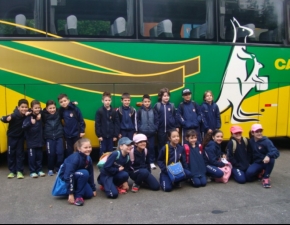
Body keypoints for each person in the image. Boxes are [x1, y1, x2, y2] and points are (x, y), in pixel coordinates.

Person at [58, 138, 97, 206]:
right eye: (85, 147)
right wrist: (70, 193)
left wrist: (93, 188)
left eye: (90, 147)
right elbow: (68, 175)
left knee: (89, 194)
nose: (88, 149)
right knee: (84, 173)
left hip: (79, 176)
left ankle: (77, 189)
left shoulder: (88, 158)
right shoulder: (74, 158)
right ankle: (78, 197)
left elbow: (91, 174)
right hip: (67, 177)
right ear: (79, 148)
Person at [1, 99, 29, 179]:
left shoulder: (26, 115)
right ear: (18, 107)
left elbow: (36, 111)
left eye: (26, 107)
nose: (24, 109)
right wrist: (6, 119)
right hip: (12, 138)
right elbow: (3, 118)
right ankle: (12, 171)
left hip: (20, 138)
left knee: (20, 154)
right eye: (22, 107)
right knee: (11, 154)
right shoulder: (13, 115)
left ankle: (19, 171)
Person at [246, 124, 280, 188]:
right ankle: (260, 172)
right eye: (257, 132)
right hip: (257, 162)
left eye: (260, 131)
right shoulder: (251, 141)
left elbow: (276, 152)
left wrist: (268, 156)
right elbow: (249, 153)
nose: (259, 133)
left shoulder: (267, 141)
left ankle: (266, 177)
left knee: (271, 158)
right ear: (252, 133)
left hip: (265, 162)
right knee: (248, 176)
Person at [22, 100, 45, 178]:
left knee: (39, 157)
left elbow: (45, 111)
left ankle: (39, 170)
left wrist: (41, 113)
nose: (37, 109)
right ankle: (32, 171)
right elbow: (24, 127)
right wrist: (30, 123)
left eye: (39, 108)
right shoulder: (28, 117)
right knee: (32, 158)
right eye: (35, 108)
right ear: (31, 108)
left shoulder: (40, 116)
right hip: (31, 142)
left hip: (39, 141)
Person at [58, 93, 86, 158]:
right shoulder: (61, 111)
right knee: (69, 151)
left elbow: (81, 120)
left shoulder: (75, 109)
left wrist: (82, 131)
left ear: (68, 100)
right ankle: (71, 164)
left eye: (65, 101)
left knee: (78, 150)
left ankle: (79, 163)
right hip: (67, 135)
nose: (63, 103)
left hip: (76, 134)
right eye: (61, 102)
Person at [42, 100, 64, 176]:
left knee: (60, 153)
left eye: (53, 108)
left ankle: (58, 168)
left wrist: (72, 103)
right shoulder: (43, 114)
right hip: (49, 137)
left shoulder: (59, 112)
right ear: (46, 108)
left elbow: (66, 106)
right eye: (50, 108)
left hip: (59, 136)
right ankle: (50, 168)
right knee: (51, 154)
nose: (52, 110)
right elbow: (33, 111)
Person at [154, 87, 179, 153]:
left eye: (167, 96)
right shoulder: (157, 105)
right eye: (164, 96)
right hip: (161, 130)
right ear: (161, 96)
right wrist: (156, 128)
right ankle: (161, 160)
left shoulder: (172, 105)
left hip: (170, 129)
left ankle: (170, 160)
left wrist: (176, 126)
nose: (166, 97)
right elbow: (155, 118)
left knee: (171, 144)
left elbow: (175, 116)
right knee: (161, 145)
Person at [137, 94, 158, 169]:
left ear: (150, 102)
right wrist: (140, 129)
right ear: (142, 102)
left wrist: (155, 128)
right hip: (143, 133)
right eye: (145, 101)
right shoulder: (139, 111)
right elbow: (137, 121)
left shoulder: (153, 110)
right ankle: (143, 161)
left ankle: (151, 162)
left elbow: (156, 120)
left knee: (151, 147)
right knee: (143, 148)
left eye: (148, 101)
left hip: (152, 132)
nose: (147, 103)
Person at [95, 91, 120, 156]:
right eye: (106, 100)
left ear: (111, 101)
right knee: (102, 151)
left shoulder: (114, 111)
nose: (107, 102)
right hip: (103, 136)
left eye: (109, 100)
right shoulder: (99, 111)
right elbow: (97, 124)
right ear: (102, 101)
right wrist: (99, 135)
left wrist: (115, 135)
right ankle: (102, 165)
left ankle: (110, 164)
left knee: (110, 152)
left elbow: (116, 123)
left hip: (111, 137)